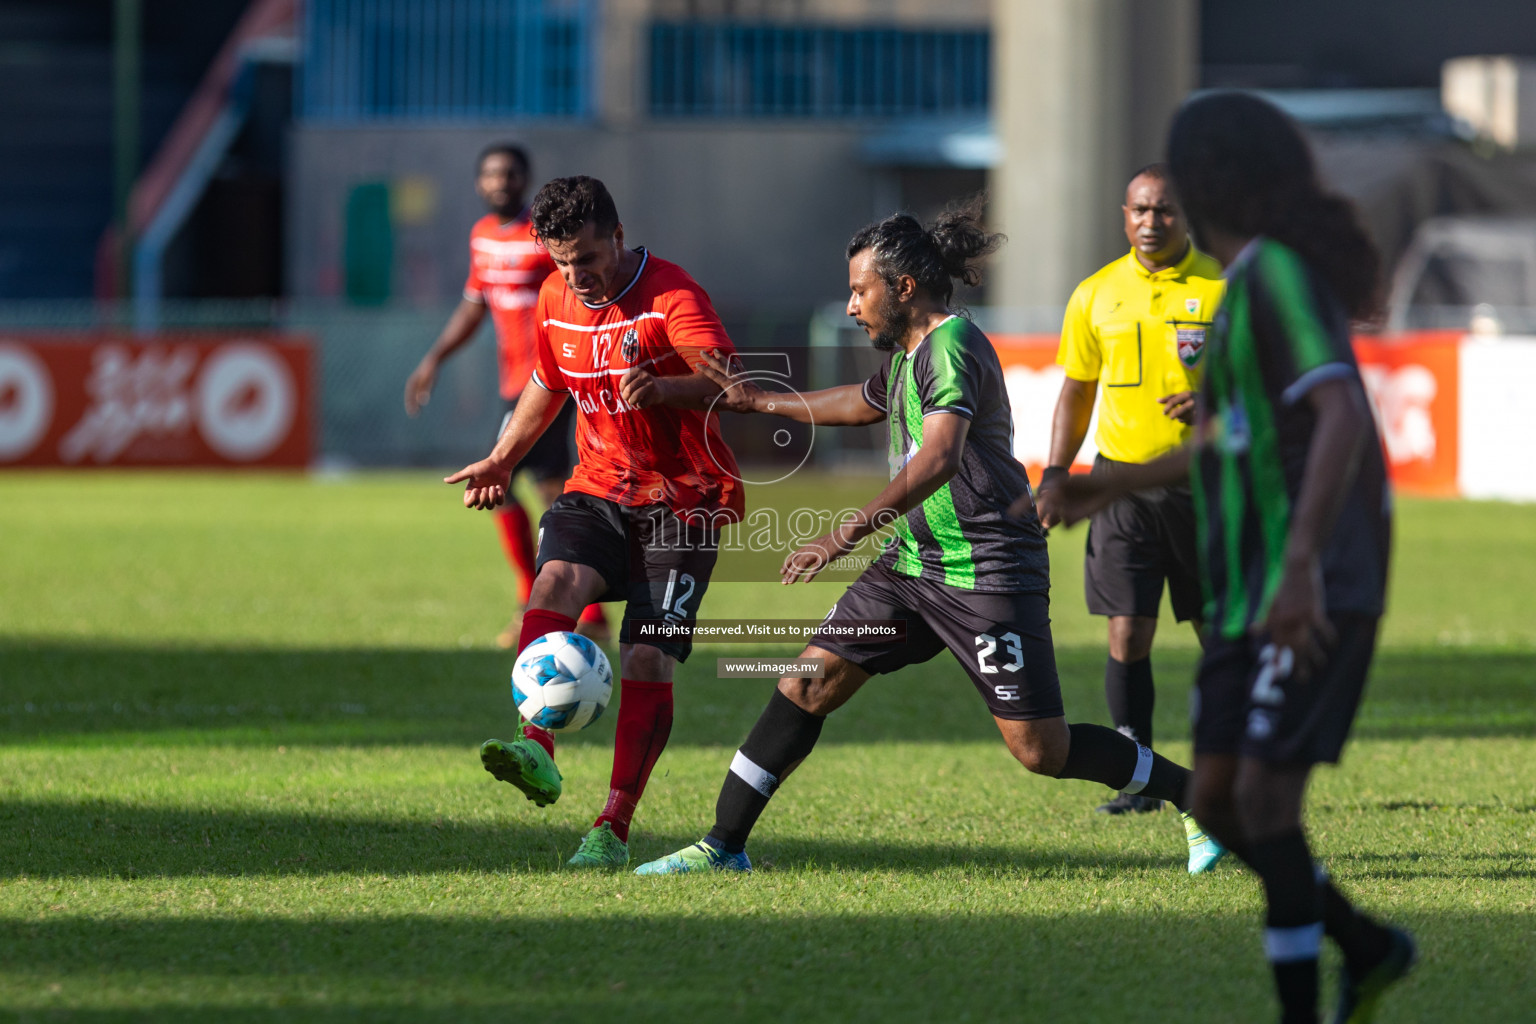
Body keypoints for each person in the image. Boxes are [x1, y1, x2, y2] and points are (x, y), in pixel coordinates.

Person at [632, 203, 1225, 877]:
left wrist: (844, 532)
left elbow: (940, 455)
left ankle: (1198, 797)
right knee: (806, 682)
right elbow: (864, 400)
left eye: (861, 290)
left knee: (1041, 750)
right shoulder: (916, 352)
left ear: (904, 288)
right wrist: (760, 401)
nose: (852, 305)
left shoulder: (954, 347)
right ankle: (722, 846)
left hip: (985, 575)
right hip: (908, 571)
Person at [1047, 93, 1416, 1024]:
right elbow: (1238, 435)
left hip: (1311, 580)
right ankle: (1367, 945)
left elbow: (1339, 418)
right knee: (1214, 800)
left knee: (1260, 799)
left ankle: (1313, 1000)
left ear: (1213, 182)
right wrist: (1105, 485)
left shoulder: (1275, 276)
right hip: (1255, 581)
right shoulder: (1249, 280)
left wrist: (1301, 567)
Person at [445, 175, 744, 870]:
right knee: (551, 584)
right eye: (561, 260)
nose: (575, 274)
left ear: (617, 236)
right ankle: (536, 748)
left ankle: (613, 826)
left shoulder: (672, 294)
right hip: (600, 486)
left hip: (685, 502)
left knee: (646, 655)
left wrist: (667, 385)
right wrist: (502, 457)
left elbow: (729, 381)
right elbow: (547, 384)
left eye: (586, 256)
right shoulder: (555, 298)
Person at [1025, 165, 1225, 815]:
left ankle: (1234, 766)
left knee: (1218, 634)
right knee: (1125, 634)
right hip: (1119, 486)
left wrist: (1214, 406)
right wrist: (1057, 471)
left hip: (1205, 487)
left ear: (1185, 214)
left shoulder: (1223, 288)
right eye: (1139, 210)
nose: (1150, 221)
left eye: (1163, 210)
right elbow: (1077, 390)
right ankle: (1138, 772)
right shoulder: (1096, 294)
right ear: (1123, 215)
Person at [405, 142, 607, 646]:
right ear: (480, 183)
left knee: (507, 485)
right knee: (541, 491)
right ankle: (589, 611)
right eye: (493, 175)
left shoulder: (545, 238)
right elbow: (475, 304)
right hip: (513, 386)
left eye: (511, 174)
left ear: (526, 179)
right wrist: (433, 359)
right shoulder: (481, 238)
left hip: (551, 383)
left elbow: (583, 296)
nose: (502, 183)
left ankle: (537, 602)